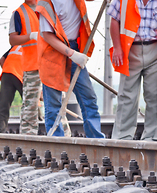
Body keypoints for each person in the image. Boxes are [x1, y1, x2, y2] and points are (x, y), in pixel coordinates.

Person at [109, 0, 157, 141]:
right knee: (127, 96)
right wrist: (117, 47)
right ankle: (123, 138)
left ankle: (151, 139)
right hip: (129, 51)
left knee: (155, 96)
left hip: (156, 51)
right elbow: (114, 20)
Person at [36, 0, 105, 138]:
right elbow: (47, 35)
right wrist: (71, 54)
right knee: (53, 105)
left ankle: (96, 140)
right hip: (53, 53)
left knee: (88, 98)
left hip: (74, 49)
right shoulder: (46, 2)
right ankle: (57, 143)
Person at [9, 0, 41, 135]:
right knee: (30, 105)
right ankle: (28, 136)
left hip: (51, 63)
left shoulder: (48, 6)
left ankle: (61, 135)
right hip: (32, 64)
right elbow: (13, 40)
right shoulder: (19, 13)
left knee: (57, 102)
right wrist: (30, 36)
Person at [0, 46, 23, 133]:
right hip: (20, 73)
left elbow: (1, 60)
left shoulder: (15, 46)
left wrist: (10, 71)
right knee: (31, 101)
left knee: (3, 105)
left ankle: (0, 129)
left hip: (7, 73)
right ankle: (39, 121)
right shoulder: (32, 45)